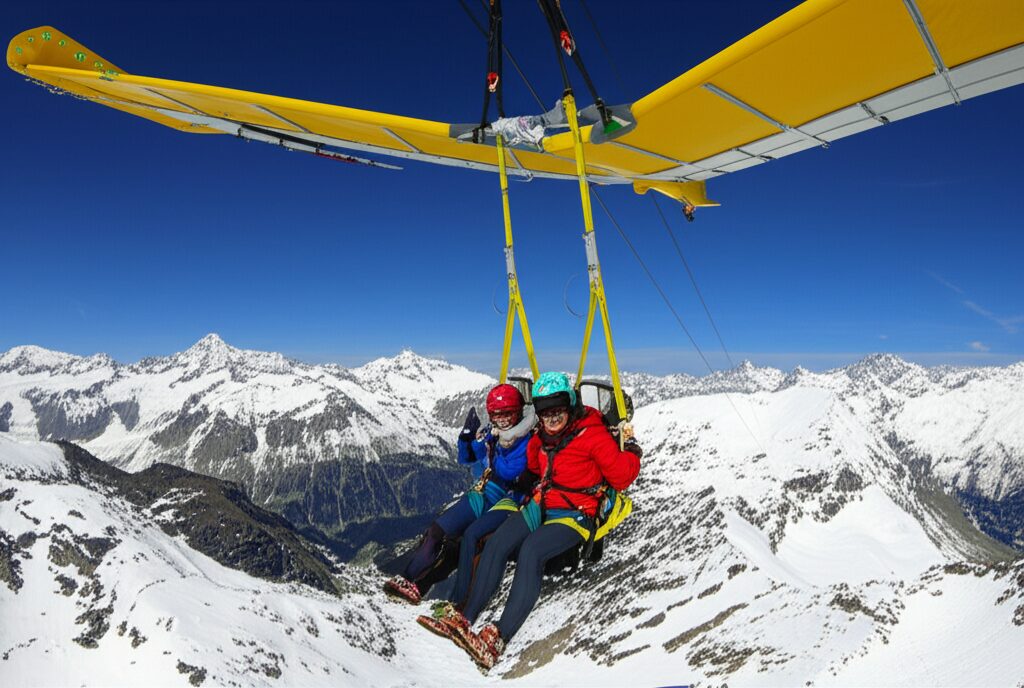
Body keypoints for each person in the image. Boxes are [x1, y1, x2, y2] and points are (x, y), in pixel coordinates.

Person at [430, 371, 642, 669]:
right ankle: (465, 617)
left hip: (575, 512)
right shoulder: (540, 438)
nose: (552, 417)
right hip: (542, 502)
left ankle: (497, 638)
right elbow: (531, 466)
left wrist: (631, 450)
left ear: (570, 404)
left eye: (557, 409)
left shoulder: (591, 435)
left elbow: (622, 476)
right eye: (545, 411)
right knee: (497, 543)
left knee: (530, 551)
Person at [384, 383, 537, 604]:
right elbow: (466, 458)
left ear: (519, 412)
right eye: (496, 415)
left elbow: (509, 470)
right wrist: (466, 439)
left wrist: (495, 445)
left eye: (508, 414)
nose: (502, 420)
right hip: (488, 491)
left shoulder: (527, 439)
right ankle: (408, 580)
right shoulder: (496, 434)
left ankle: (456, 601)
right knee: (436, 531)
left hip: (511, 499)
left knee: (467, 541)